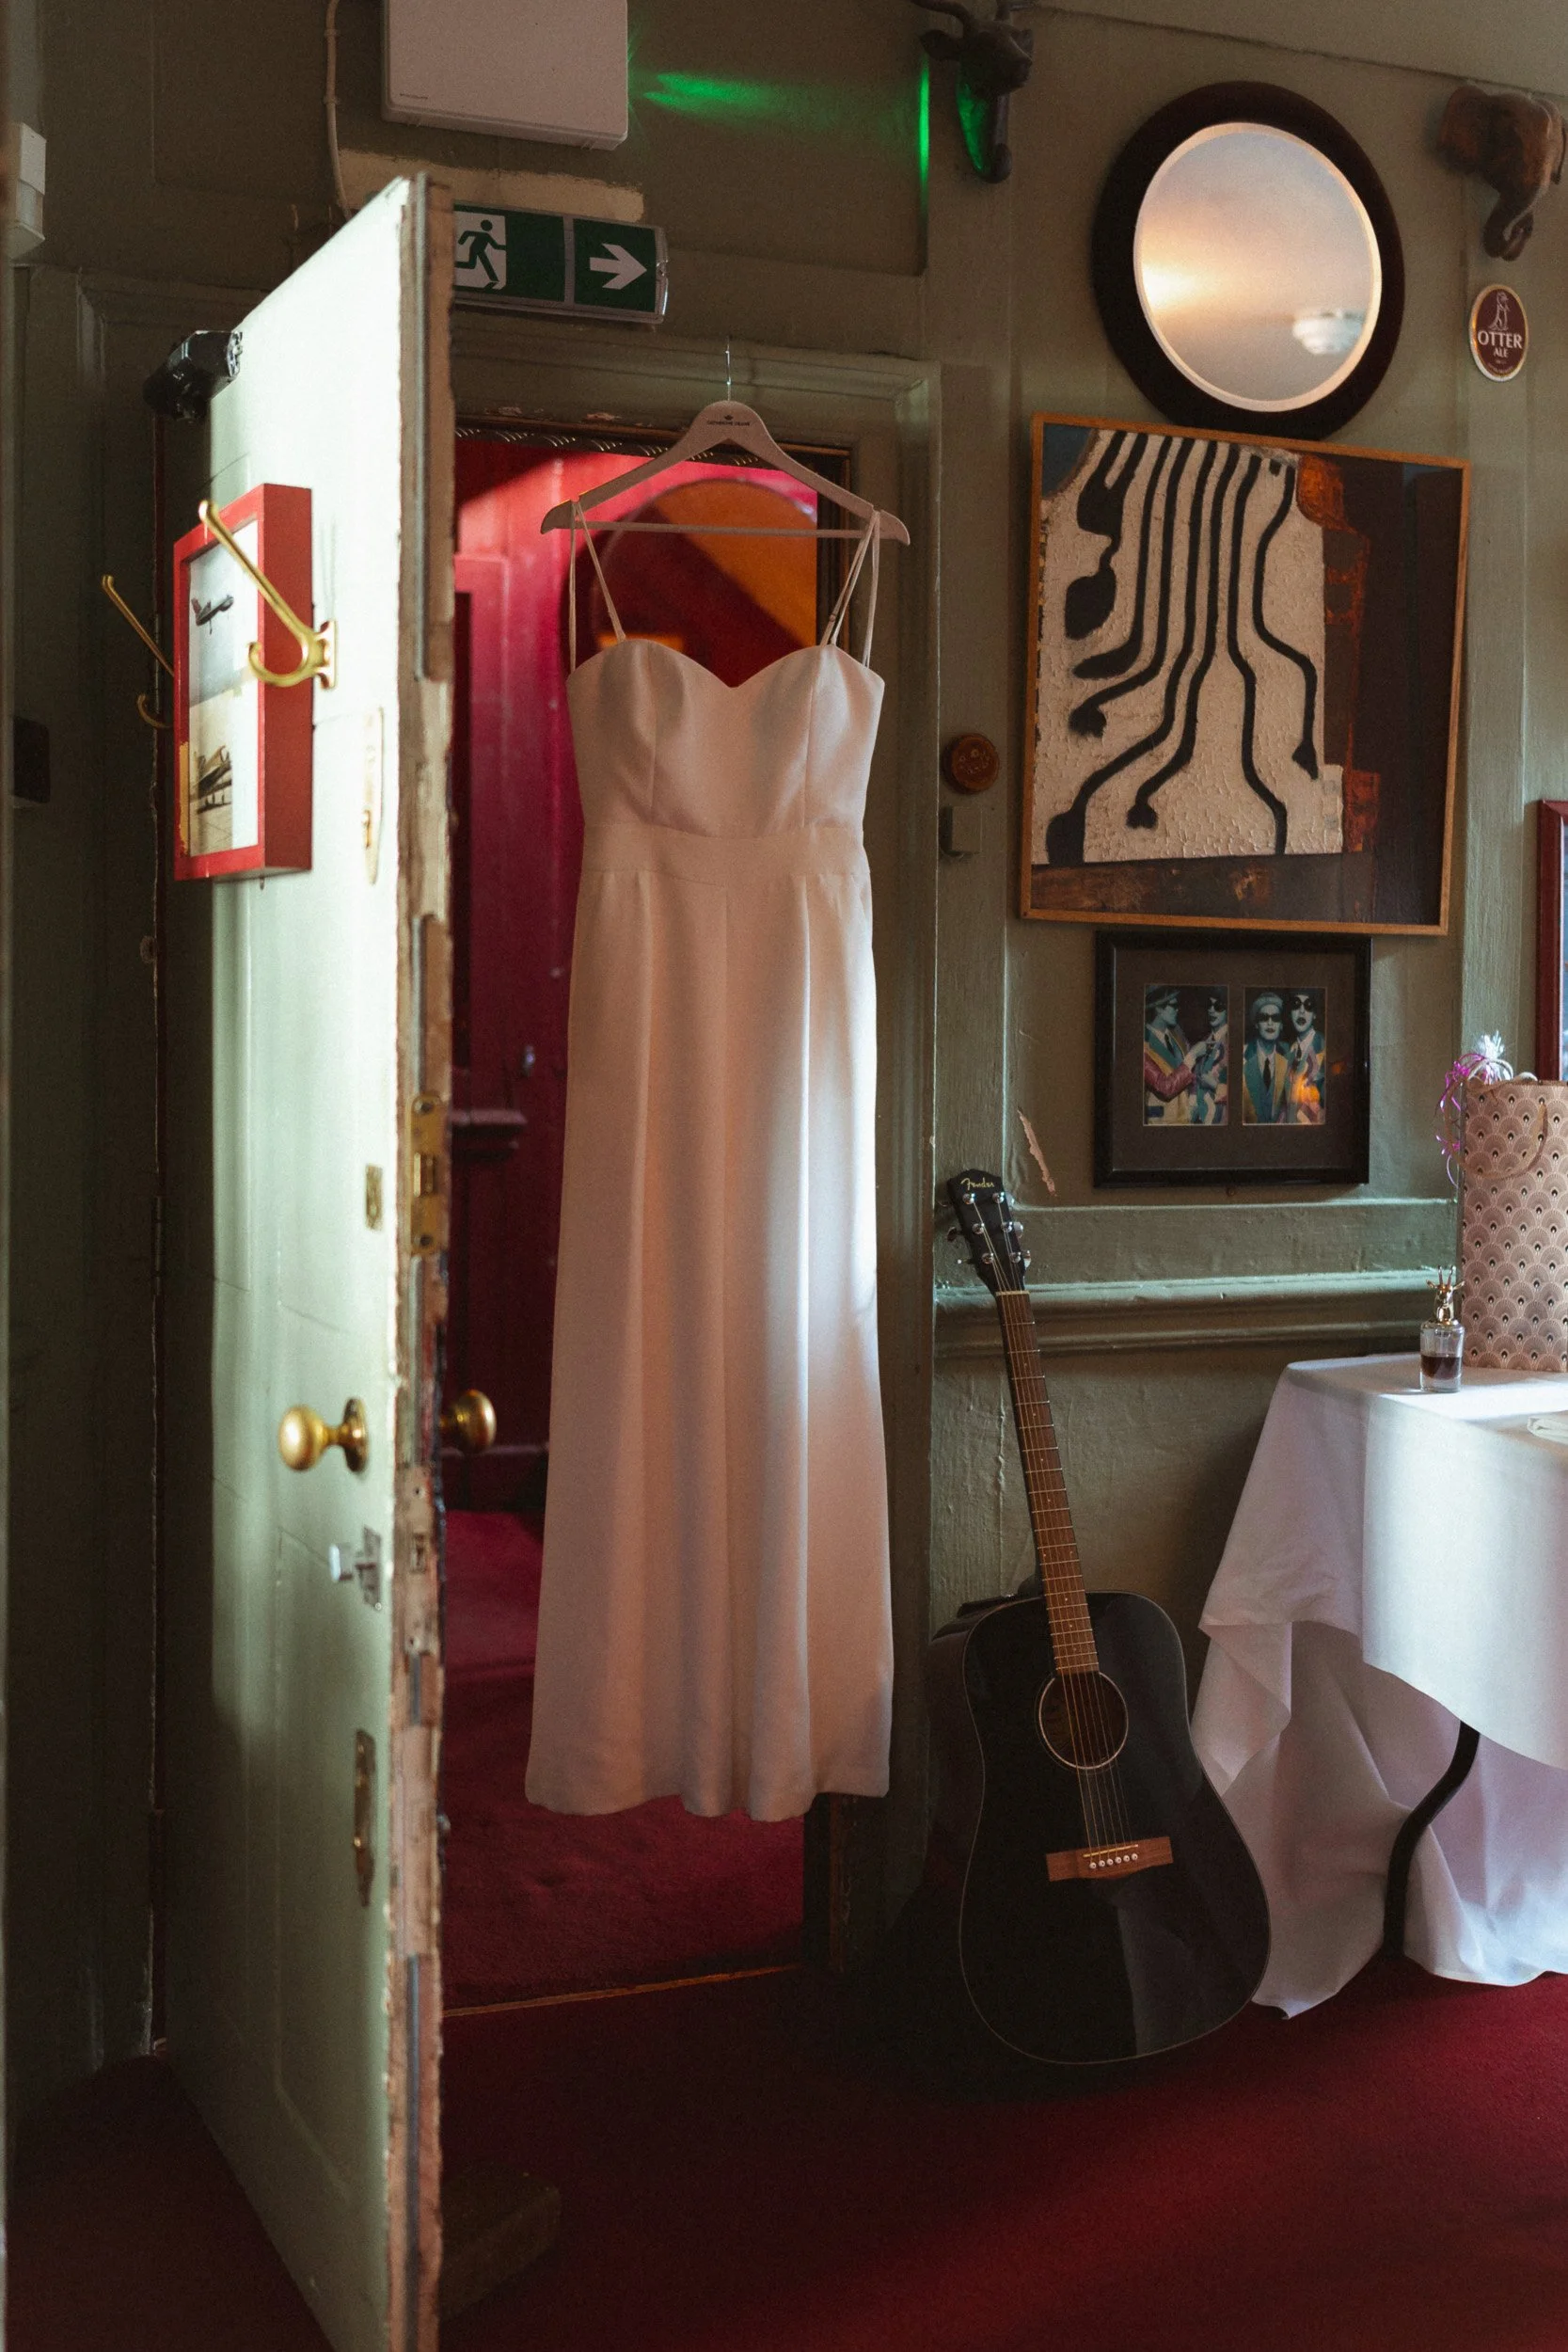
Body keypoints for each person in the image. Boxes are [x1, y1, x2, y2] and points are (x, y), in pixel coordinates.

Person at [1143, 985, 1220, 1123]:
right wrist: (1192, 1056)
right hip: (1161, 1122)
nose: (1178, 1009)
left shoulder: (1177, 1033)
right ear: (1159, 1008)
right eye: (1173, 1005)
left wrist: (1193, 1097)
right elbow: (1165, 1088)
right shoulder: (1143, 1045)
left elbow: (1193, 1071)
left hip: (1187, 1118)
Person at [1242, 991, 1291, 1123]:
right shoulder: (1242, 1057)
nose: (1270, 1023)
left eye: (1275, 1018)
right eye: (1264, 1018)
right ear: (1256, 1024)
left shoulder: (1289, 1060)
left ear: (1281, 1025)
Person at [1284, 987, 1326, 1125]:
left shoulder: (1324, 1047)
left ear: (1314, 1014)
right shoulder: (1289, 1053)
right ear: (1290, 1013)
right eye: (1296, 1005)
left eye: (1308, 1006)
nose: (1301, 1011)